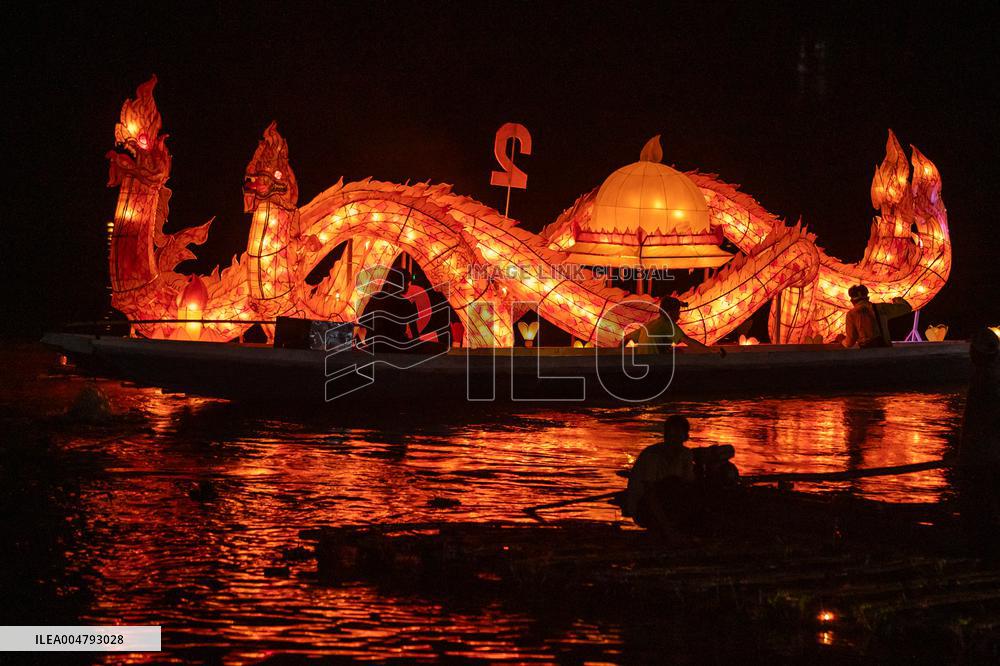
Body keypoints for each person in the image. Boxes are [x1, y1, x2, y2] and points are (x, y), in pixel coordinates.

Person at [624, 415, 696, 528]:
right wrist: (667, 527)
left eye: (678, 435)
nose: (673, 439)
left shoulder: (686, 454)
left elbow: (689, 482)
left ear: (686, 437)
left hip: (667, 501)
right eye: (670, 435)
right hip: (643, 507)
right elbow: (649, 492)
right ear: (665, 436)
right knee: (673, 482)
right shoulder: (652, 456)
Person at [625, 296, 726, 357]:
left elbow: (626, 338)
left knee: (677, 351)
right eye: (677, 311)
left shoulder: (649, 324)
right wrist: (709, 350)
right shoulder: (668, 324)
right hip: (655, 366)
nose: (679, 315)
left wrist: (618, 357)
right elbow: (688, 341)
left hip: (641, 364)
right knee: (679, 353)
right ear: (669, 313)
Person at [841, 285, 912, 348]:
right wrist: (897, 300)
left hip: (867, 352)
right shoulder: (881, 308)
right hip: (884, 349)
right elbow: (906, 308)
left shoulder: (851, 314)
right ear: (867, 297)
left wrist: (841, 340)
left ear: (852, 301)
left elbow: (849, 343)